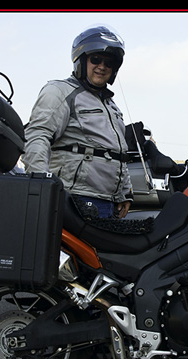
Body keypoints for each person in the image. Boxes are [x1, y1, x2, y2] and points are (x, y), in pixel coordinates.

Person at [22, 25, 132, 220]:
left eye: (109, 62)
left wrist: (124, 192)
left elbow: (118, 151)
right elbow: (38, 135)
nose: (102, 66)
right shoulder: (60, 91)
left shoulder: (111, 105)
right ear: (81, 60)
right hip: (74, 198)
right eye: (96, 59)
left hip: (108, 201)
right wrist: (40, 185)